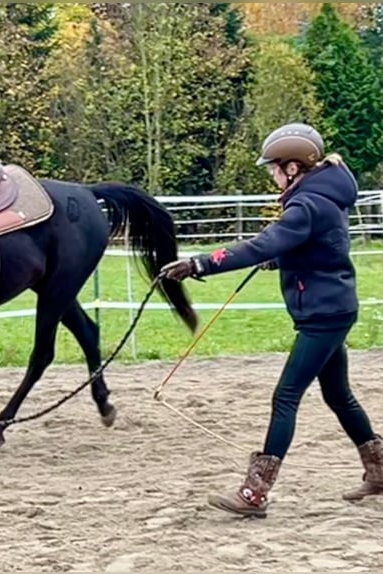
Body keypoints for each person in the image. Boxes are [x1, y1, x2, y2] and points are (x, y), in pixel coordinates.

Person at [160, 122, 382, 518]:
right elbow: (320, 246)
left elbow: (263, 242)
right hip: (331, 307)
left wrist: (198, 264)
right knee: (338, 395)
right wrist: (280, 258)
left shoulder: (307, 204)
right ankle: (379, 470)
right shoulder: (322, 197)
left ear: (293, 167)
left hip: (324, 315)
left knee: (286, 396)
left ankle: (255, 493)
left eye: (274, 168)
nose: (272, 175)